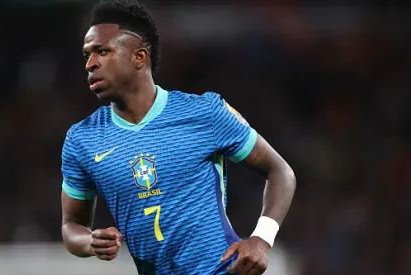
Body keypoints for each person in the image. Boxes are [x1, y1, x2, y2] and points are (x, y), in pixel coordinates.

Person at [60, 0, 296, 274]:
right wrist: (90, 242)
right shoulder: (83, 140)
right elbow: (71, 226)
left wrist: (262, 239)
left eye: (102, 52)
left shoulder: (205, 113)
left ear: (139, 57)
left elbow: (280, 170)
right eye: (87, 54)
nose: (90, 64)